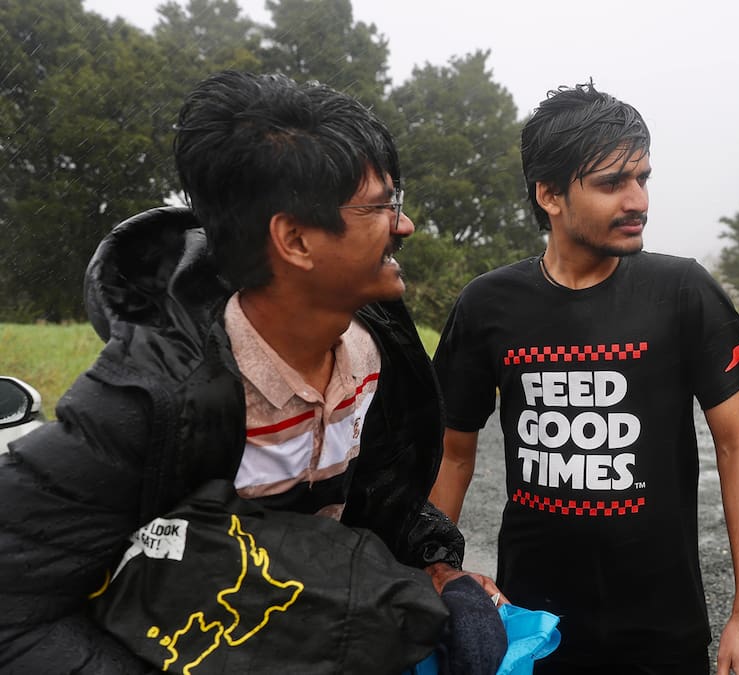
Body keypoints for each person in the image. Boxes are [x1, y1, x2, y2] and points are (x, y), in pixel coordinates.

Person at [0, 70, 505, 673]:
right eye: (382, 206)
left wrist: (438, 565)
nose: (405, 224)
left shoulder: (383, 352)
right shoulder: (145, 403)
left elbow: (375, 498)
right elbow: (15, 609)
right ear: (295, 239)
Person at [429, 82, 739, 675]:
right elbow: (453, 454)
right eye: (612, 183)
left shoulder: (681, 291)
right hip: (531, 626)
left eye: (642, 178)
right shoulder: (488, 304)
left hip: (660, 631)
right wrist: (429, 572)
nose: (637, 199)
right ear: (550, 195)